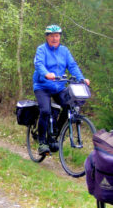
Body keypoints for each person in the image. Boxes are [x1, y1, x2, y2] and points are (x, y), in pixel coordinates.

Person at [33, 24, 90, 155]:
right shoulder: (41, 49)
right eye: (52, 36)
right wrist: (46, 73)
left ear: (60, 37)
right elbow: (39, 64)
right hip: (42, 86)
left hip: (59, 87)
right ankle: (42, 142)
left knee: (70, 106)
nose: (54, 38)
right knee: (45, 111)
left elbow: (72, 66)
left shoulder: (64, 51)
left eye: (57, 36)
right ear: (47, 37)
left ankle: (55, 134)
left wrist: (82, 79)